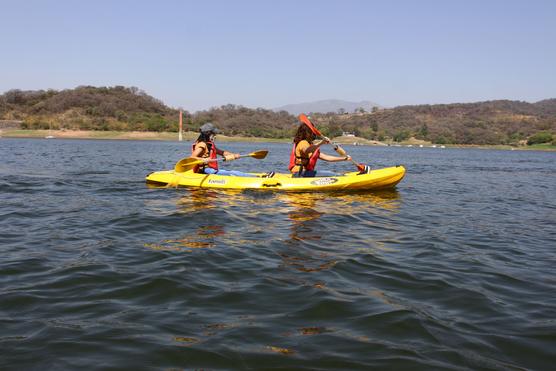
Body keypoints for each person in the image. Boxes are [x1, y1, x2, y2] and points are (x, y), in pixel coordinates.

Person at [191, 123, 274, 178]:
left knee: (233, 172)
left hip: (210, 170)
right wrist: (203, 159)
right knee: (233, 173)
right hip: (204, 170)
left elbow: (221, 152)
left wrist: (233, 155)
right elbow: (192, 158)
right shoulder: (202, 145)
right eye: (214, 134)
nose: (215, 135)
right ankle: (259, 178)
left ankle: (258, 176)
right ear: (208, 134)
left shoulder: (209, 144)